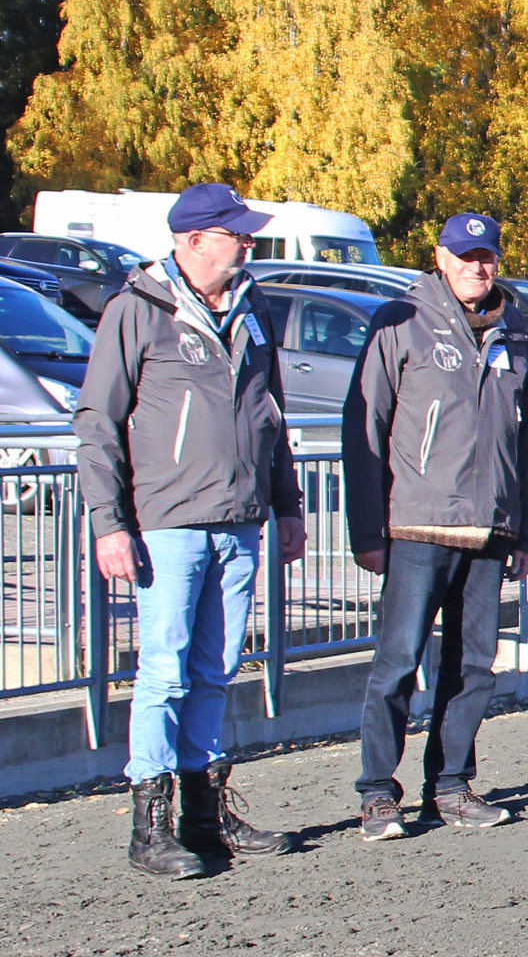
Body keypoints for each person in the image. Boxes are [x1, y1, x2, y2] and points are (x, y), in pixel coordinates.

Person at [75, 183, 303, 878]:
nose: (247, 245)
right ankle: (152, 825)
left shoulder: (252, 306)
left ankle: (206, 815)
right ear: (193, 241)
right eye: (236, 235)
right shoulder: (138, 310)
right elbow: (97, 423)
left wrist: (287, 504)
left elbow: (272, 415)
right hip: (167, 525)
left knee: (216, 670)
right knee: (164, 673)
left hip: (238, 523)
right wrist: (108, 522)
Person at [346, 212, 528, 839]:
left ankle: (452, 784)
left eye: (485, 256)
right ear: (440, 258)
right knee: (399, 662)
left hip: (489, 530)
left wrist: (527, 532)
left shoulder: (514, 332)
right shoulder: (399, 322)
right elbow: (364, 427)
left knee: (474, 667)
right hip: (416, 526)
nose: (476, 267)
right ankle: (379, 792)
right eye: (464, 256)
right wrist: (368, 531)